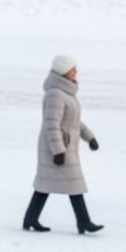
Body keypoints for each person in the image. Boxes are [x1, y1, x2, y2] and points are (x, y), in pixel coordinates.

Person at [23, 55, 103, 234]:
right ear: (63, 71)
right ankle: (83, 222)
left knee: (47, 184)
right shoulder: (55, 94)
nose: (76, 72)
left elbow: (74, 122)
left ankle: (30, 218)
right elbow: (51, 125)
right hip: (57, 147)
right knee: (72, 184)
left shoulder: (66, 93)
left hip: (67, 146)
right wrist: (58, 151)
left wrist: (90, 137)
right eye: (72, 69)